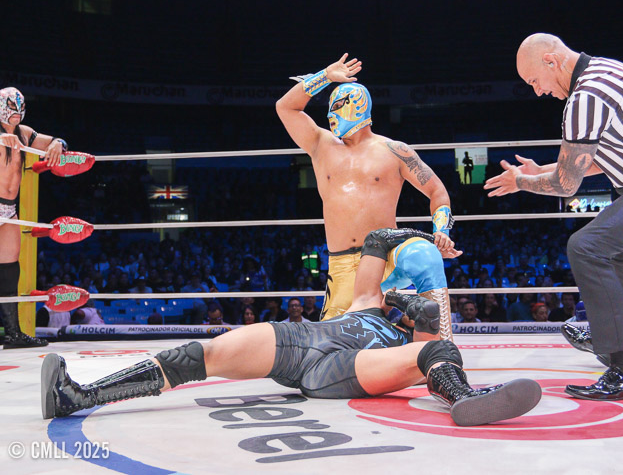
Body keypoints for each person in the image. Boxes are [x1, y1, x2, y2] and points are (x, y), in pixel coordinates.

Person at [41, 228, 542, 427]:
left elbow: (437, 337)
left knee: (437, 356)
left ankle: (464, 399)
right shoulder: (368, 300)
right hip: (301, 342)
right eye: (406, 297)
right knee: (199, 353)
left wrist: (421, 303)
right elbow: (376, 238)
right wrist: (425, 237)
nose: (414, 306)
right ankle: (78, 396)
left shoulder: (420, 343)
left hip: (346, 367)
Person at [485, 34, 623, 400]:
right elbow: (605, 156)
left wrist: (522, 182)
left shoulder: (585, 97)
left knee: (586, 247)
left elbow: (566, 184)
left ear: (551, 61)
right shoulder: (607, 69)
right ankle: (608, 343)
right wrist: (542, 169)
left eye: (534, 81)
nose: (538, 91)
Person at [276, 54, 458, 341]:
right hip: (341, 265)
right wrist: (326, 76)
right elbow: (285, 107)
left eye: (337, 106)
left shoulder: (394, 151)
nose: (330, 114)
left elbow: (437, 191)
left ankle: (443, 346)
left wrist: (441, 230)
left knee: (426, 254)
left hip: (386, 257)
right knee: (331, 348)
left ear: (357, 106)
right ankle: (396, 322)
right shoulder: (321, 144)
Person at [0, 87, 66, 349]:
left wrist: (58, 144)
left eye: (20, 107)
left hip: (8, 209)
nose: (17, 112)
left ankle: (12, 333)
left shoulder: (24, 133)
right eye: (11, 107)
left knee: (9, 270)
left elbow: (55, 140)